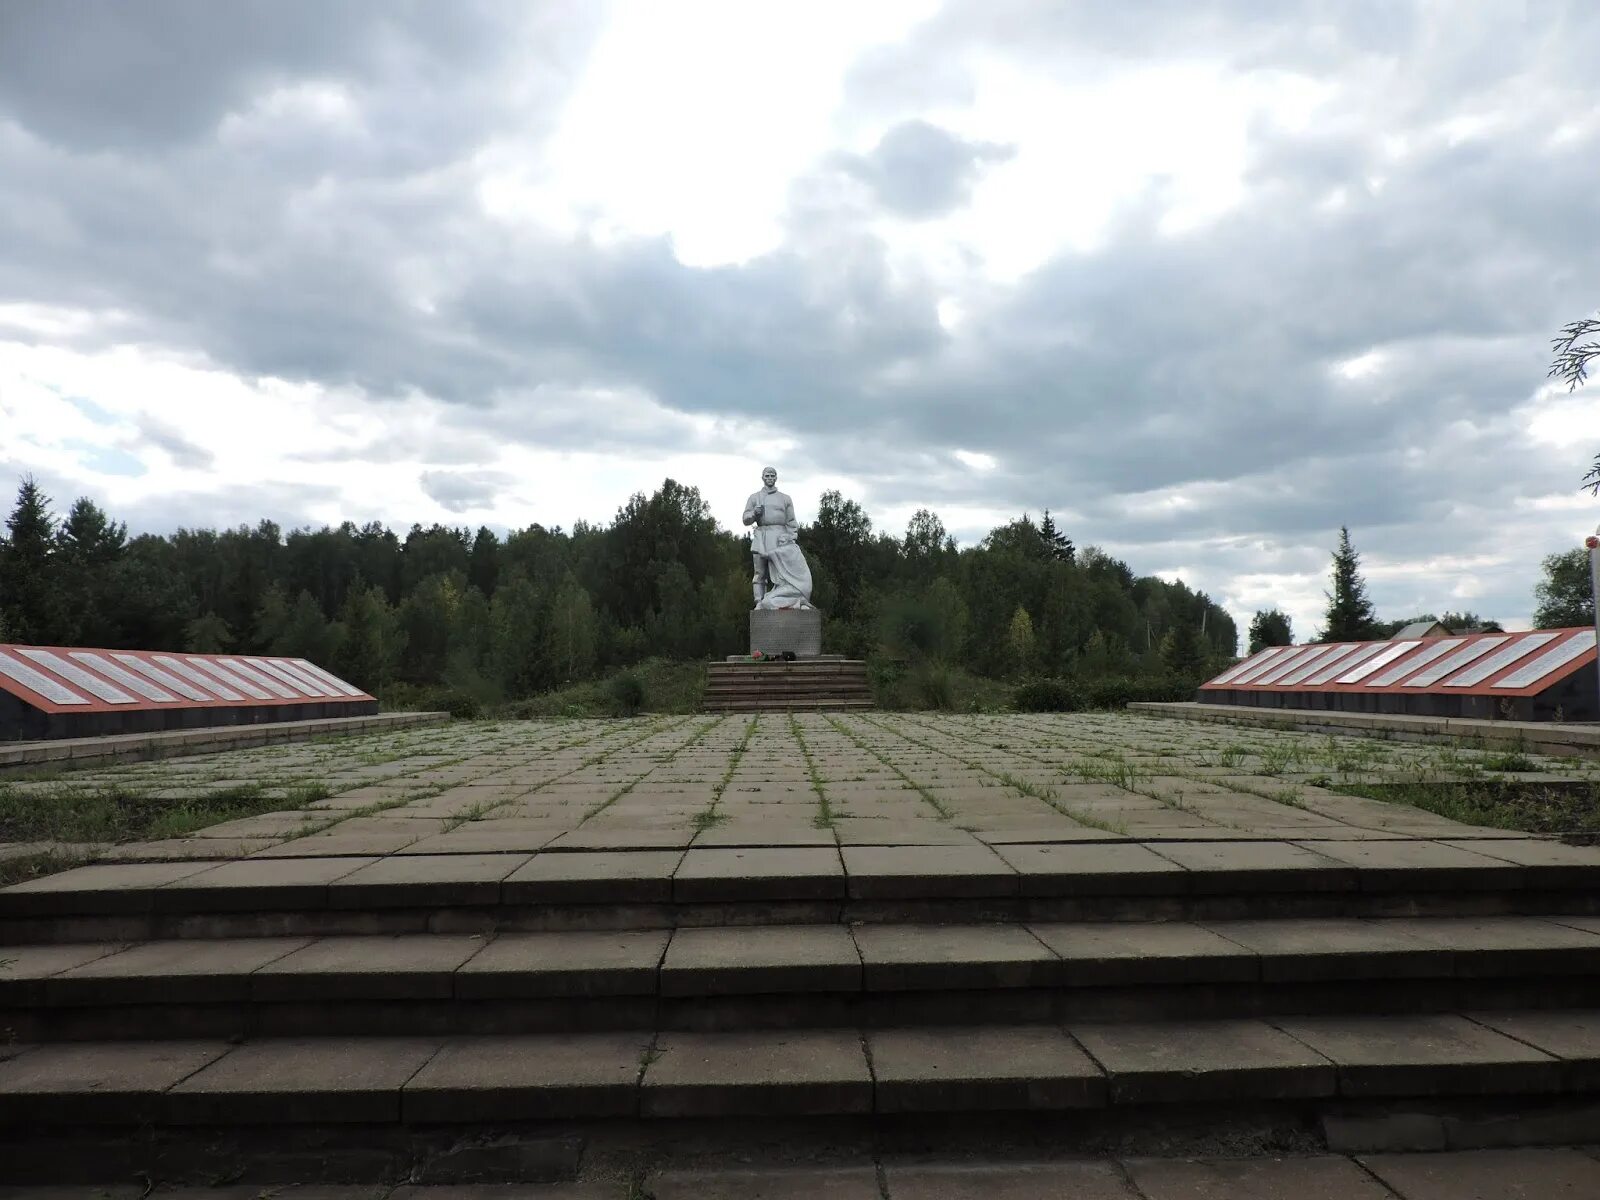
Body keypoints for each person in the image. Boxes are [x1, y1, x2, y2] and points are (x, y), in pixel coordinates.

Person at [742, 466, 813, 609]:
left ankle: (781, 599)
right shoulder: (754, 497)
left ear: (776, 478)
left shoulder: (785, 498)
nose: (769, 478)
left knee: (781, 574)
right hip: (761, 536)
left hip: (779, 538)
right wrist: (754, 514)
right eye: (767, 476)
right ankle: (759, 602)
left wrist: (789, 538)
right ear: (762, 478)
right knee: (759, 573)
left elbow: (792, 522)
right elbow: (745, 519)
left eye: (772, 476)